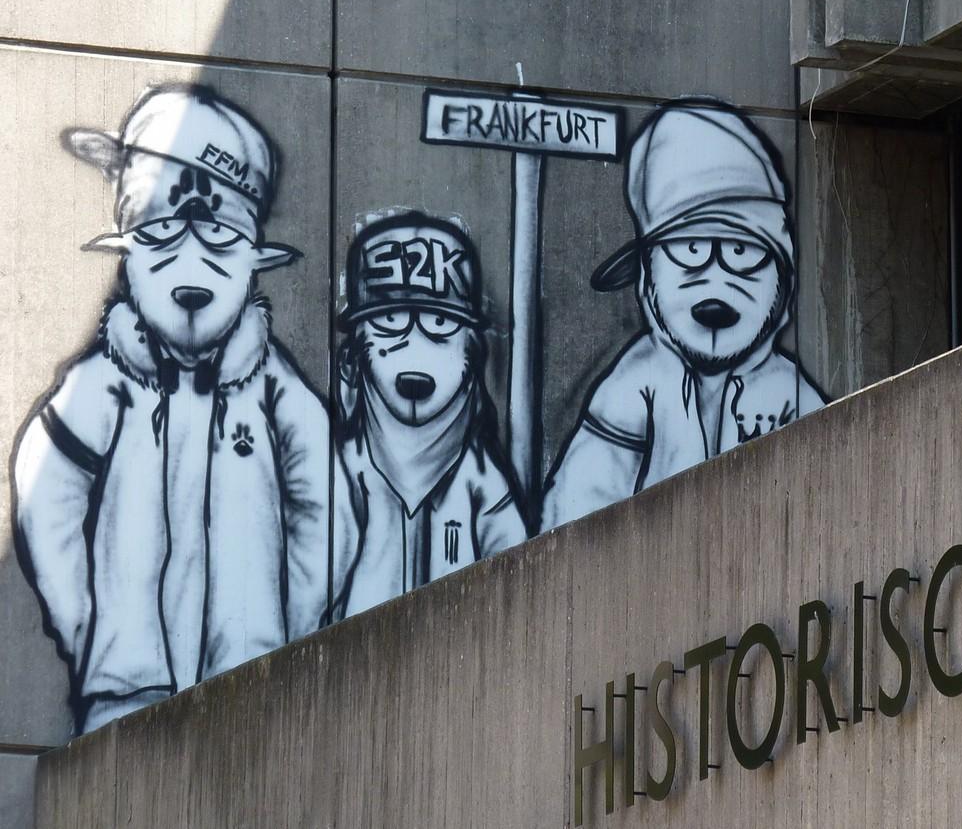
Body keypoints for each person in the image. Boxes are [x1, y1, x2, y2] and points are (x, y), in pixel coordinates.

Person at [12, 85, 352, 733]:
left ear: (253, 260)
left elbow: (328, 514)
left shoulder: (274, 389)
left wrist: (285, 633)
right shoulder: (104, 384)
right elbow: (46, 497)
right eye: (161, 234)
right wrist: (93, 634)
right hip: (123, 699)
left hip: (250, 695)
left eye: (219, 237)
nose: (189, 260)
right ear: (129, 254)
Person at [543, 98, 826, 529]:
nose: (716, 277)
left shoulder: (788, 392)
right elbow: (574, 511)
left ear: (780, 276)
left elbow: (836, 502)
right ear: (648, 274)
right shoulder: (636, 383)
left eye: (741, 250)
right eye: (690, 249)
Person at [335, 211, 528, 614]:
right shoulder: (347, 469)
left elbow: (520, 587)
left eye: (439, 323)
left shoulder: (479, 477)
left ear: (471, 348)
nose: (414, 347)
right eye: (391, 321)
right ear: (356, 350)